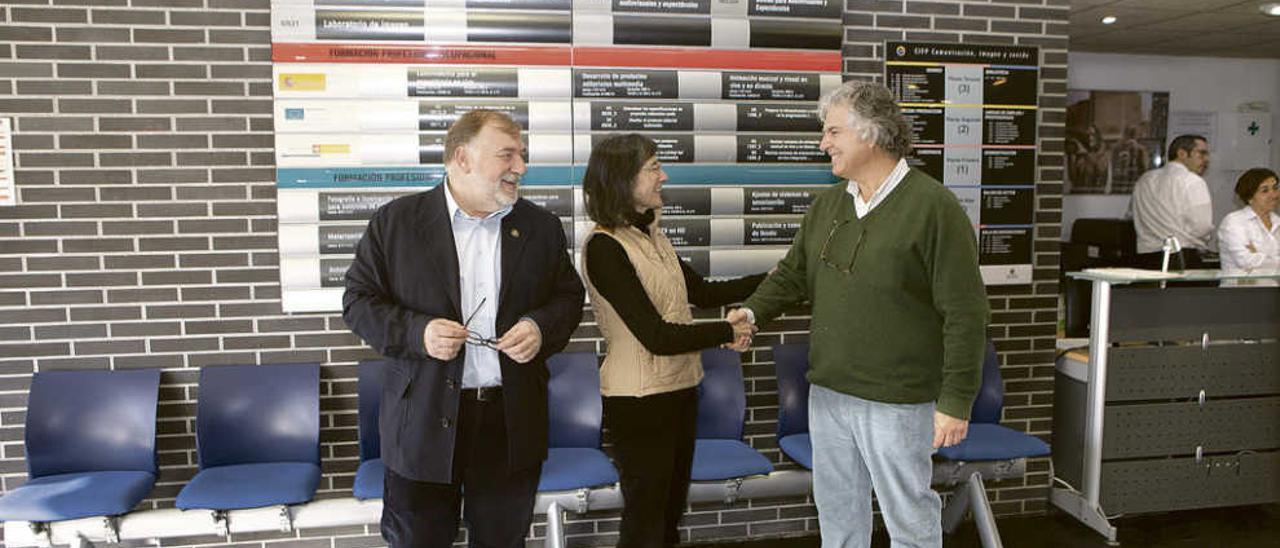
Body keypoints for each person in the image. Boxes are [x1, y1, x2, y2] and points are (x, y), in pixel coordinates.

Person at [727, 81, 989, 548]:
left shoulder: (933, 207)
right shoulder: (829, 204)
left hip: (897, 400)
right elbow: (792, 275)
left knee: (909, 517)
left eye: (832, 132)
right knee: (839, 517)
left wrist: (955, 401)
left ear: (870, 134)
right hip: (829, 394)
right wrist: (751, 313)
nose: (823, 143)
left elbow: (966, 313)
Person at [343, 110, 585, 548]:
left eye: (523, 156)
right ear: (462, 158)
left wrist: (539, 327)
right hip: (420, 428)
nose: (521, 168)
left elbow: (569, 298)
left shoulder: (540, 228)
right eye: (508, 155)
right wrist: (418, 333)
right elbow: (358, 302)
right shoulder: (396, 224)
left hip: (508, 427)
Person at [580, 133, 762, 548]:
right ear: (623, 179)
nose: (664, 176)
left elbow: (704, 293)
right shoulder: (604, 248)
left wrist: (777, 282)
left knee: (668, 516)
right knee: (646, 521)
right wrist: (727, 332)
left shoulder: (654, 238)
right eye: (653, 168)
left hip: (680, 389)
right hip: (639, 402)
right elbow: (656, 336)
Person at [1129, 134, 1214, 268]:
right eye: (1201, 153)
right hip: (1180, 257)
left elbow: (1133, 216)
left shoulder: (1144, 180)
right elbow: (1202, 227)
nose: (1206, 160)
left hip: (1145, 258)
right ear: (1182, 153)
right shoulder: (1192, 181)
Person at [1217, 167, 1278, 275]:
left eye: (1275, 188)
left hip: (1274, 289)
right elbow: (1246, 261)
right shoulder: (1234, 222)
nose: (1274, 195)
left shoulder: (1277, 221)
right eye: (1265, 191)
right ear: (1249, 197)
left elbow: (1254, 262)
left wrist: (1259, 256)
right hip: (1243, 290)